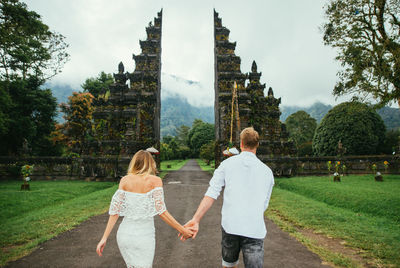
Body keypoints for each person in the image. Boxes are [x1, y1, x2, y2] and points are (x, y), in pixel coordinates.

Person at [182, 127, 274, 268]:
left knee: (229, 264)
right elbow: (264, 204)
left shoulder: (226, 164)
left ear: (241, 144)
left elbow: (211, 193)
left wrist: (196, 219)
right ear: (257, 145)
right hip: (254, 228)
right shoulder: (267, 172)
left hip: (231, 225)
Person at [96, 150, 193, 267]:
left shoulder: (125, 180)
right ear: (151, 163)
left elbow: (115, 212)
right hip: (144, 236)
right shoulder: (155, 181)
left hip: (124, 235)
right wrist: (182, 230)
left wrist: (104, 238)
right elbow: (161, 211)